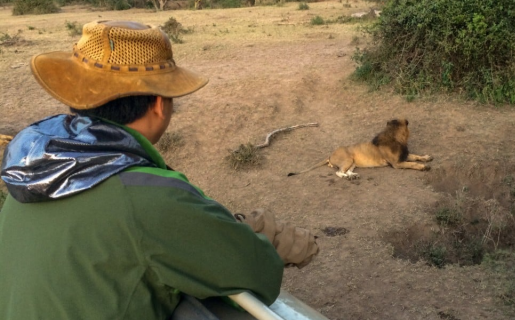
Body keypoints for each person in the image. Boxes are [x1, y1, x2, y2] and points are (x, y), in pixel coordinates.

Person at [0, 20, 319, 320]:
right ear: (158, 104)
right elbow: (259, 273)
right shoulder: (146, 196)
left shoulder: (33, 169)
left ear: (79, 97)